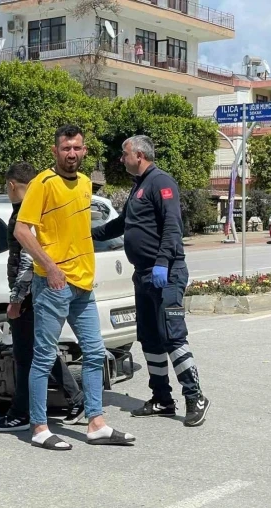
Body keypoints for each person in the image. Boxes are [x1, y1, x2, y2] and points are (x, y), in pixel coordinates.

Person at [14, 124, 136, 450]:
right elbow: (22, 231)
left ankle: (96, 423)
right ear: (55, 151)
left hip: (83, 284)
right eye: (65, 148)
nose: (72, 153)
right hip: (54, 284)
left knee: (95, 353)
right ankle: (39, 427)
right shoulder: (43, 183)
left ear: (84, 150)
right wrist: (51, 268)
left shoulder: (84, 183)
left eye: (77, 148)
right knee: (43, 358)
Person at [92, 135, 210, 427]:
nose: (122, 159)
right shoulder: (139, 187)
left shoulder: (161, 182)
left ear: (140, 155)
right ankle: (162, 399)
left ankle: (195, 397)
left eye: (125, 154)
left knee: (172, 336)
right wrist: (88, 234)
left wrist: (161, 263)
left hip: (165, 274)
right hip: (142, 274)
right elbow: (122, 225)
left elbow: (172, 226)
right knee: (149, 337)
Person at [0, 163, 85, 432]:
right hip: (39, 289)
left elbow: (26, 261)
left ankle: (21, 413)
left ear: (11, 185)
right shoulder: (41, 207)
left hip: (30, 293)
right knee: (39, 350)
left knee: (24, 355)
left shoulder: (25, 213)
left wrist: (16, 299)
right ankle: (75, 399)